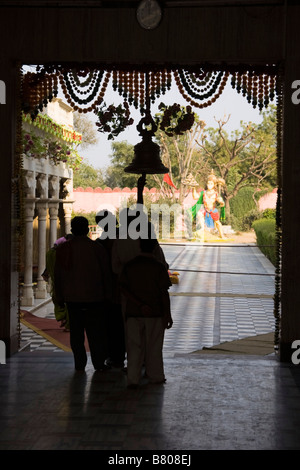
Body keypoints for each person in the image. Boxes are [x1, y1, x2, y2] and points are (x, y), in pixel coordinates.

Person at [54, 216, 112, 372]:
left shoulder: (64, 249)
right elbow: (106, 274)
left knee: (76, 335)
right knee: (96, 334)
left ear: (72, 230)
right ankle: (99, 363)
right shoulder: (97, 249)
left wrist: (58, 296)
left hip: (72, 299)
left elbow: (58, 275)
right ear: (87, 230)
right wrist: (108, 295)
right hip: (95, 298)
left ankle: (79, 364)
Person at [119, 234, 173, 389]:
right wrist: (167, 314)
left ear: (139, 246)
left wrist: (139, 304)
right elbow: (164, 293)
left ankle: (133, 378)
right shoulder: (158, 267)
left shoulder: (130, 266)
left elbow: (123, 288)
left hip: (133, 312)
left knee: (134, 346)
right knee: (154, 346)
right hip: (155, 312)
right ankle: (156, 376)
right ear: (155, 247)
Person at [95, 210, 126, 368]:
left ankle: (114, 356)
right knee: (121, 326)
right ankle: (120, 356)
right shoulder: (124, 238)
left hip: (109, 292)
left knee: (111, 326)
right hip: (123, 290)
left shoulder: (101, 243)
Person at [42, 235, 73, 330]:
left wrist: (46, 273)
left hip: (58, 282)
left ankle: (63, 318)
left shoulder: (51, 253)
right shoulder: (68, 252)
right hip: (68, 282)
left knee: (58, 300)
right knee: (69, 302)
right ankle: (67, 323)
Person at [189, 170, 226, 239]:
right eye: (208, 183)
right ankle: (201, 231)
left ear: (214, 185)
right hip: (205, 210)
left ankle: (222, 235)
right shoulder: (204, 193)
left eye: (211, 184)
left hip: (213, 210)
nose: (209, 185)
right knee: (199, 215)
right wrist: (193, 188)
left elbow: (220, 201)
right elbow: (195, 197)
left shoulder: (216, 193)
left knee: (217, 223)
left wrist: (221, 202)